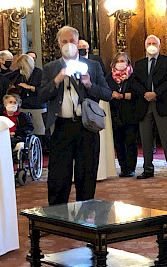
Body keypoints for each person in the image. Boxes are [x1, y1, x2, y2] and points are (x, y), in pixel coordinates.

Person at [39, 26, 112, 205]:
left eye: (72, 41)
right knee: (58, 177)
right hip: (61, 127)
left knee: (86, 175)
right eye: (64, 41)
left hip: (86, 126)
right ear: (58, 44)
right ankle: (57, 217)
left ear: (78, 43)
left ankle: (86, 217)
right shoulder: (50, 68)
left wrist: (89, 85)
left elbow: (107, 94)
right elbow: (40, 97)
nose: (68, 45)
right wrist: (57, 80)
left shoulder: (93, 66)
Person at [130, 34, 167, 179]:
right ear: (145, 47)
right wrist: (145, 93)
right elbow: (134, 82)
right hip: (144, 105)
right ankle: (148, 169)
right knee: (145, 139)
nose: (151, 45)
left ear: (159, 46)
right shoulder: (139, 63)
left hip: (162, 104)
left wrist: (155, 93)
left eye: (154, 43)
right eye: (149, 43)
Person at [106, 52, 138, 178]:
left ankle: (131, 168)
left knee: (130, 141)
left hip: (130, 113)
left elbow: (136, 94)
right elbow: (106, 91)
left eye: (123, 61)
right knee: (119, 143)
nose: (121, 63)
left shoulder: (132, 76)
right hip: (115, 113)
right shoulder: (109, 77)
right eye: (118, 61)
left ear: (128, 63)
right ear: (114, 63)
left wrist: (122, 96)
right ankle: (123, 167)